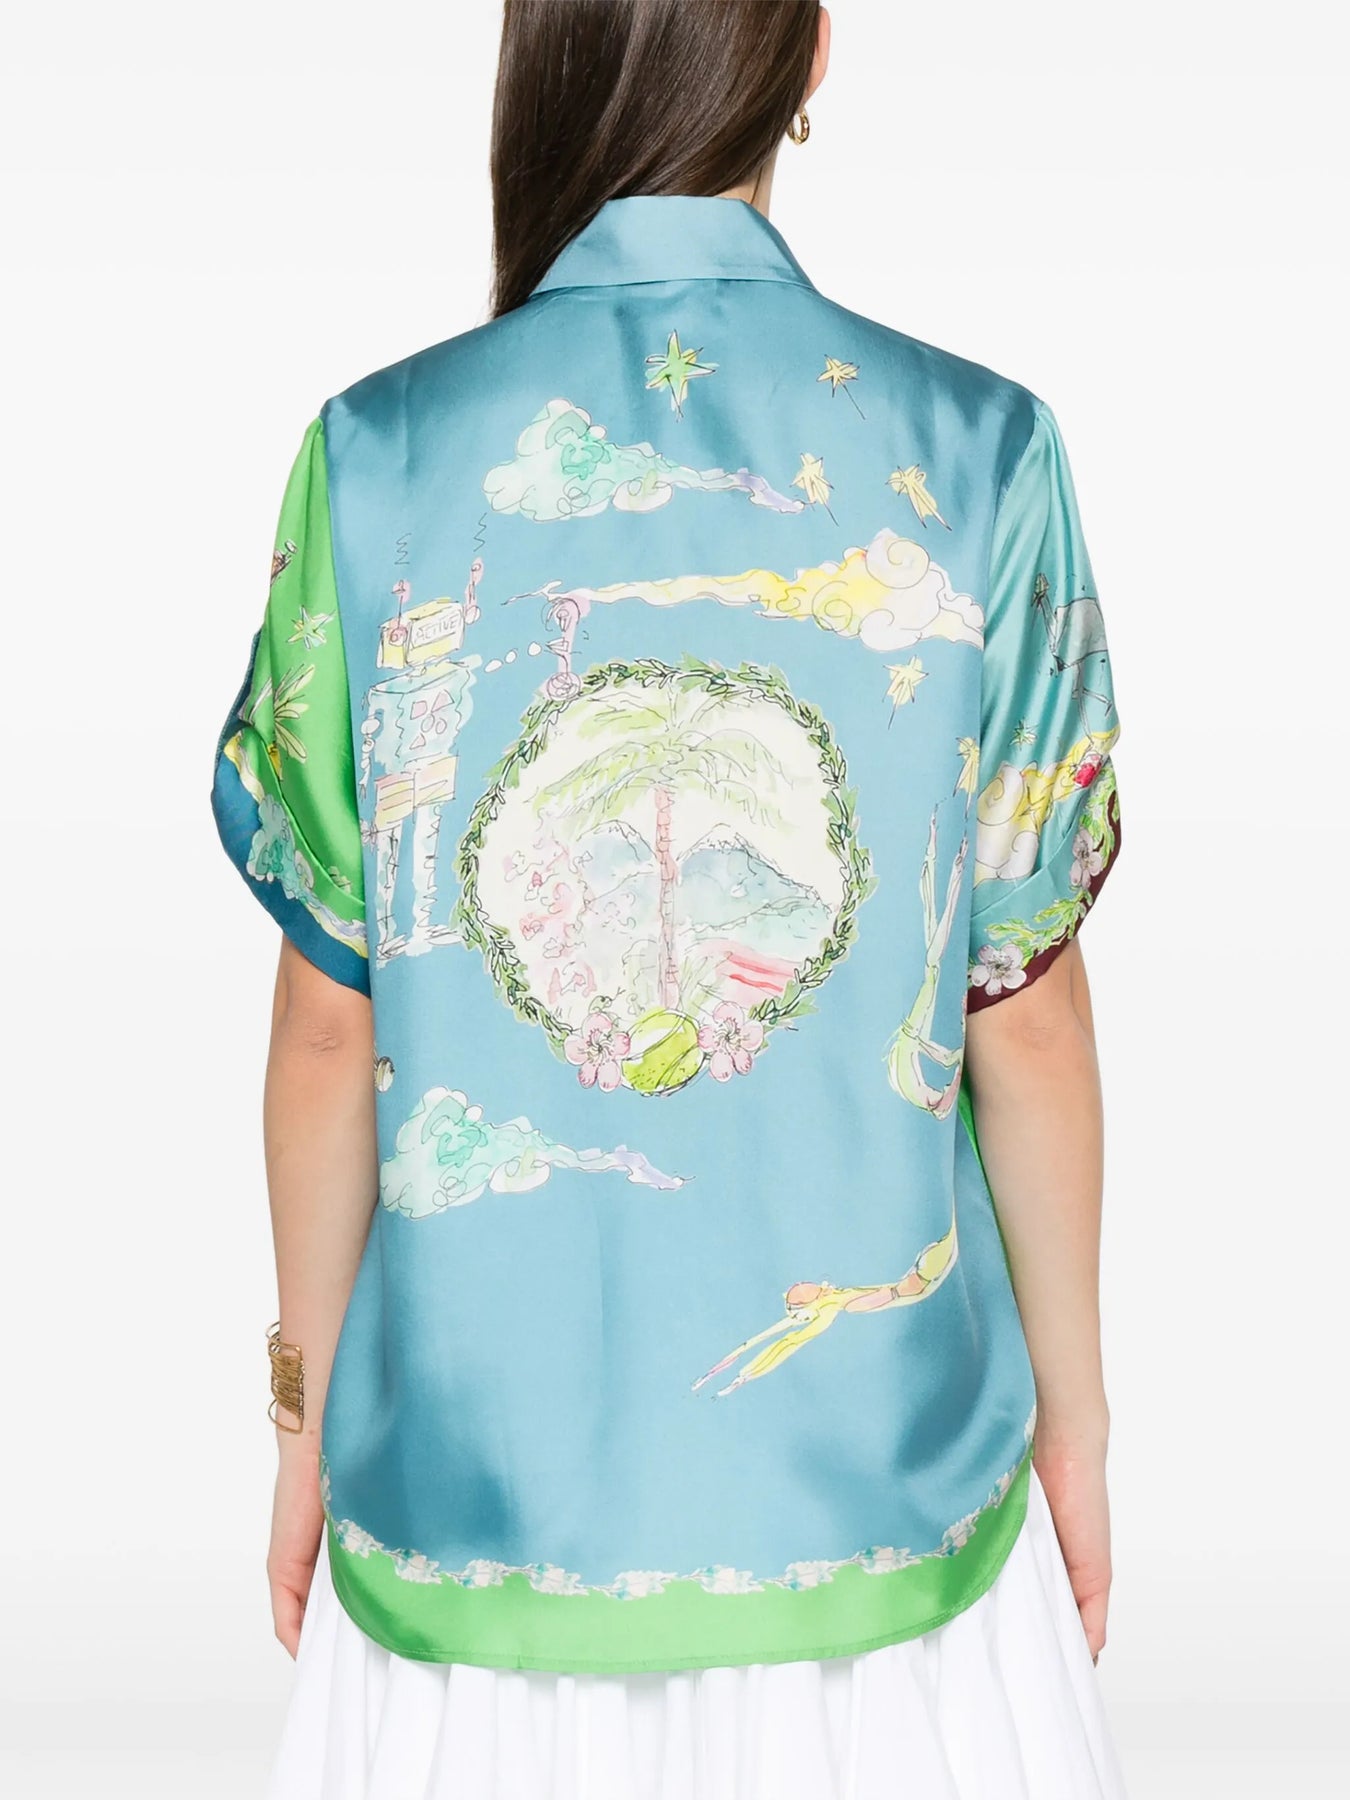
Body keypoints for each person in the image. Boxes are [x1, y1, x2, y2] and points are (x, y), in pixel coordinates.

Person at [212, 3, 1128, 1794]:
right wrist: (1075, 1422)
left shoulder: (377, 454)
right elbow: (1023, 1014)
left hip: (473, 1508)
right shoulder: (982, 449)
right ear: (809, 58)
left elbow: (331, 1023)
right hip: (879, 1507)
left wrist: (302, 1417)